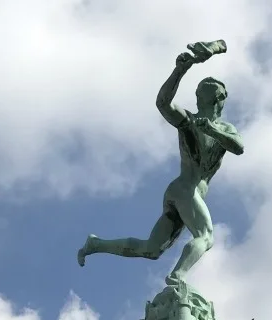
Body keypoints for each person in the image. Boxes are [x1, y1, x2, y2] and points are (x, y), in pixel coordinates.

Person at [77, 41, 244, 284]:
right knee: (206, 236)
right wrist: (180, 70)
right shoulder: (189, 121)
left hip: (180, 192)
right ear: (219, 99)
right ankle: (177, 276)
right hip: (185, 189)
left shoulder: (223, 129)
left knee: (151, 249)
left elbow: (238, 147)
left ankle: (96, 244)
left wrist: (212, 130)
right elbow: (163, 104)